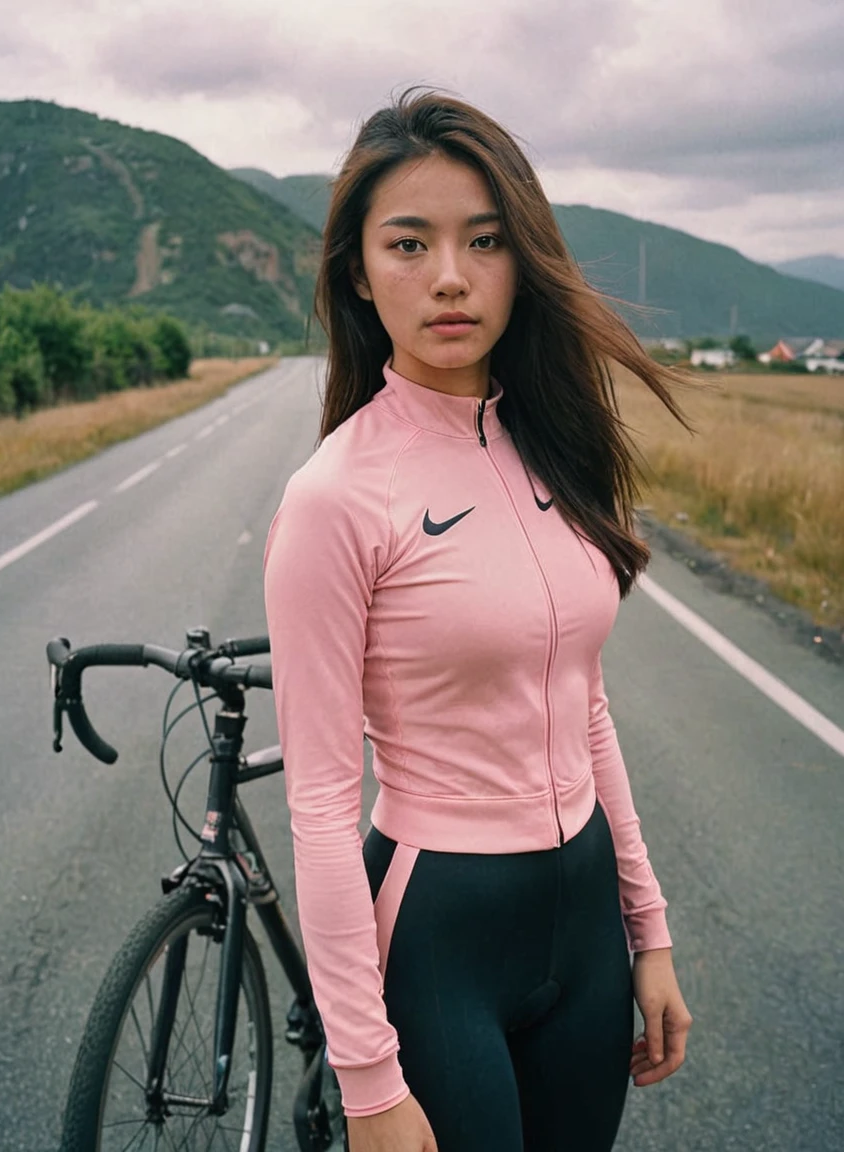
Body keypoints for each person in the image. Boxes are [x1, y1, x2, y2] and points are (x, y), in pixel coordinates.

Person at [263, 88, 693, 1152]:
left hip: (585, 924)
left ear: (520, 260)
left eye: (484, 241)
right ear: (359, 274)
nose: (449, 277)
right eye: (408, 244)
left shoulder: (550, 448)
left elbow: (583, 709)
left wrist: (649, 934)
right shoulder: (335, 497)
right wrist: (365, 1076)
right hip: (438, 939)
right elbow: (319, 803)